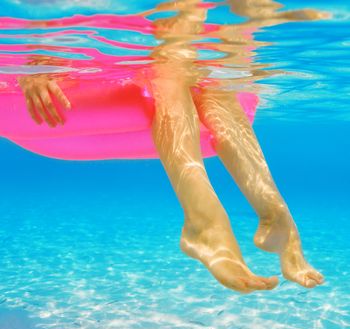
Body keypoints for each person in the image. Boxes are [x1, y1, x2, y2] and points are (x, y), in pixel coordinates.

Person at [18, 0, 327, 293]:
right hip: (113, 53)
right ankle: (206, 223)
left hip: (164, 43)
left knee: (213, 84)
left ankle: (274, 216)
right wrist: (38, 58)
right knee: (172, 70)